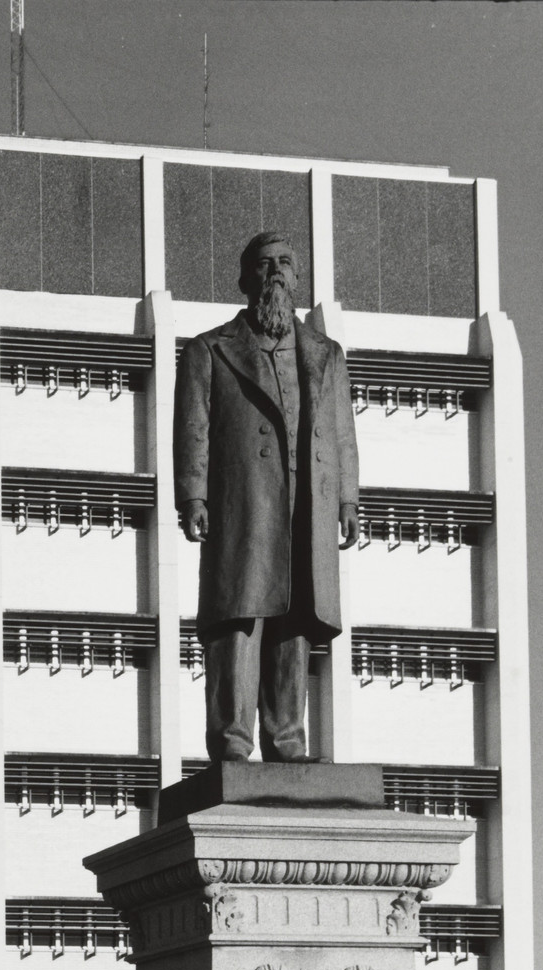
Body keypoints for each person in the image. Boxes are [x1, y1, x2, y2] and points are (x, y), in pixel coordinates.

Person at [175, 232, 360, 762]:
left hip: (309, 501)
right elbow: (194, 427)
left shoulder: (326, 354)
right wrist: (193, 496)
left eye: (283, 263)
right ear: (243, 280)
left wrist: (347, 500)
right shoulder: (210, 349)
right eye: (262, 264)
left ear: (297, 278)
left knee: (293, 618)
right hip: (244, 503)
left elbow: (342, 432)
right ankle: (232, 741)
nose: (273, 273)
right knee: (239, 618)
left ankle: (287, 739)